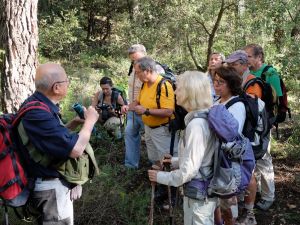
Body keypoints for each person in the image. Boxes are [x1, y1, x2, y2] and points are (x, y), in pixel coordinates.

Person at [19, 63, 99, 225]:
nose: (68, 83)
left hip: (49, 186)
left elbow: (50, 139)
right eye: (66, 80)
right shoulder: (38, 113)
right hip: (51, 190)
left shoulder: (37, 105)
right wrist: (90, 122)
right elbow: (75, 150)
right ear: (56, 87)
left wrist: (74, 123)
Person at [148, 71, 218, 225]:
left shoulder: (196, 125)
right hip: (202, 192)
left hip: (200, 196)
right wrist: (174, 161)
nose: (174, 92)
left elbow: (188, 171)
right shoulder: (202, 117)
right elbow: (201, 158)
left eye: (178, 88)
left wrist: (159, 177)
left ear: (189, 92)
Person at [225, 50, 261, 225]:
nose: (230, 67)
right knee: (241, 172)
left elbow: (255, 108)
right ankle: (240, 208)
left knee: (250, 173)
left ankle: (249, 213)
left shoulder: (250, 82)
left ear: (243, 64)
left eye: (233, 64)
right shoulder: (238, 80)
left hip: (249, 135)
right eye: (229, 64)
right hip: (241, 135)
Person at [244, 44, 280, 211]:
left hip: (264, 124)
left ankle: (268, 196)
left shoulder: (270, 73)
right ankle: (256, 189)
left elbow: (276, 99)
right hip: (252, 124)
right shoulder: (246, 74)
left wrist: (270, 123)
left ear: (259, 57)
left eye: (249, 56)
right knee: (254, 157)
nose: (246, 59)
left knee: (264, 159)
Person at [122, 44, 165, 169]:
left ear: (145, 54)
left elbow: (159, 90)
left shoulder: (155, 68)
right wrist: (129, 106)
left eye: (137, 58)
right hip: (134, 109)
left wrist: (146, 109)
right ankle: (131, 166)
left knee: (151, 139)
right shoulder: (133, 69)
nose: (136, 61)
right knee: (130, 133)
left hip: (148, 111)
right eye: (133, 60)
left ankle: (158, 167)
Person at [213, 66, 247, 225]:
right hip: (216, 158)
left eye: (221, 82)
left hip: (228, 162)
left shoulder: (237, 105)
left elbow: (232, 135)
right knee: (217, 204)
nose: (216, 84)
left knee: (228, 208)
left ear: (231, 84)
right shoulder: (217, 100)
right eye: (215, 81)